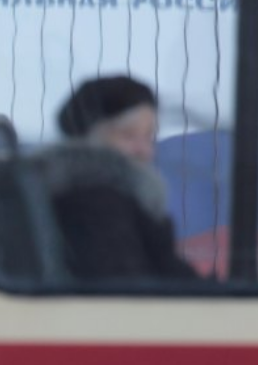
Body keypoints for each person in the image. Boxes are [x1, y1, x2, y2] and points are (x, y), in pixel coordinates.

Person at [42, 76, 196, 282]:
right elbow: (124, 286)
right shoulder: (94, 203)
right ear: (88, 137)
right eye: (128, 135)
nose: (144, 151)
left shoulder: (125, 201)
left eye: (149, 137)